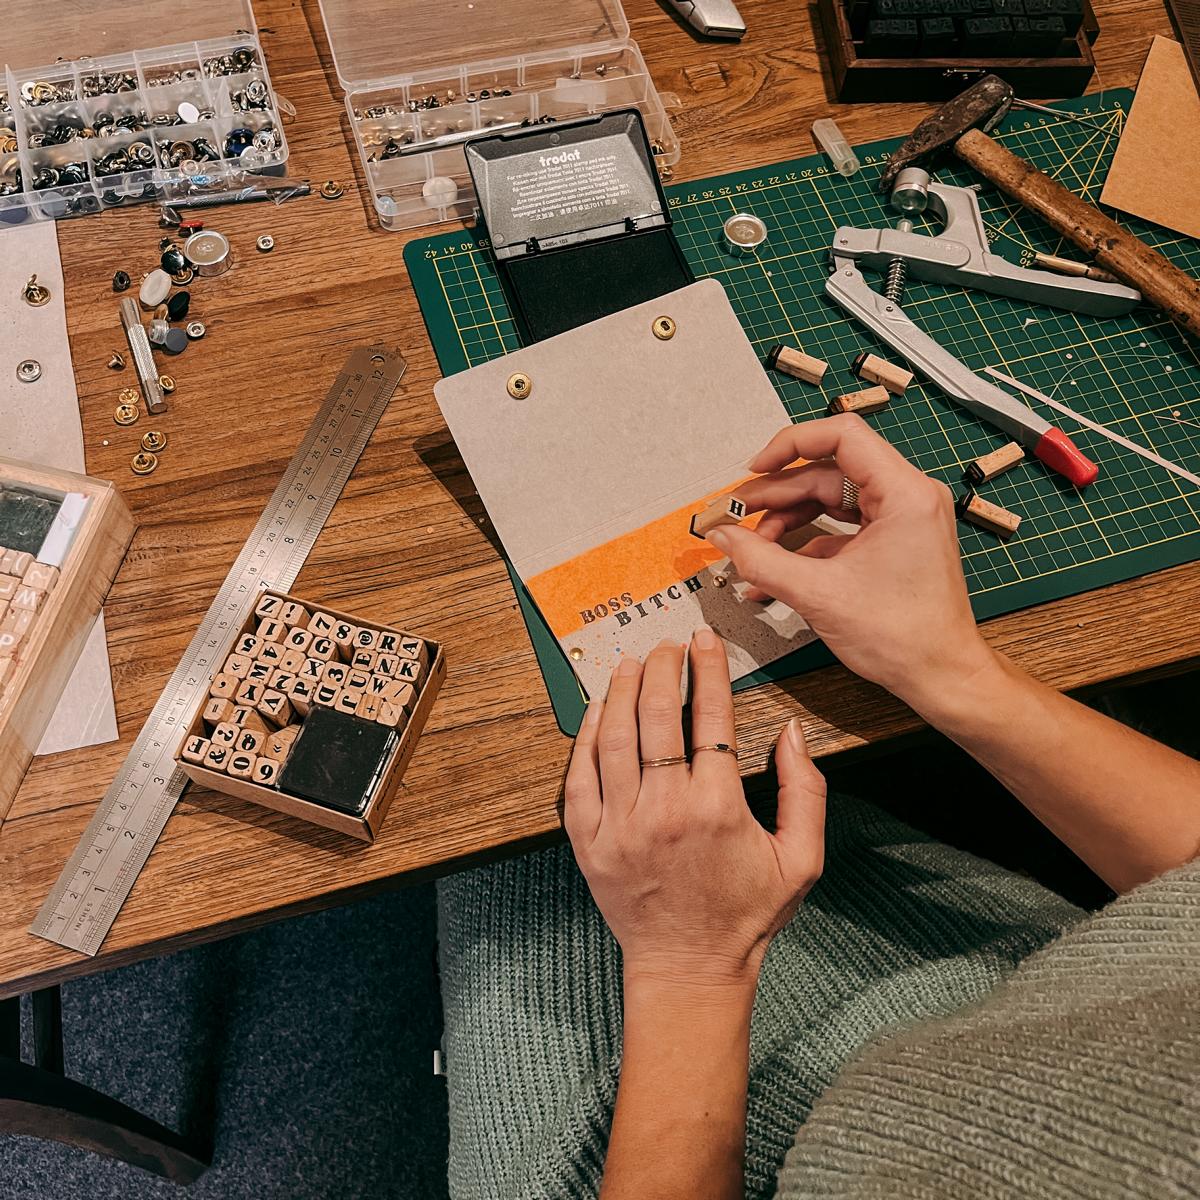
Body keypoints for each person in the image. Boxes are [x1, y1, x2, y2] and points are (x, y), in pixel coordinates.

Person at [437, 415, 1200, 1200]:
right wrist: (954, 671)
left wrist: (692, 965)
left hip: (693, 1131)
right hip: (1038, 976)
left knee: (525, 827)